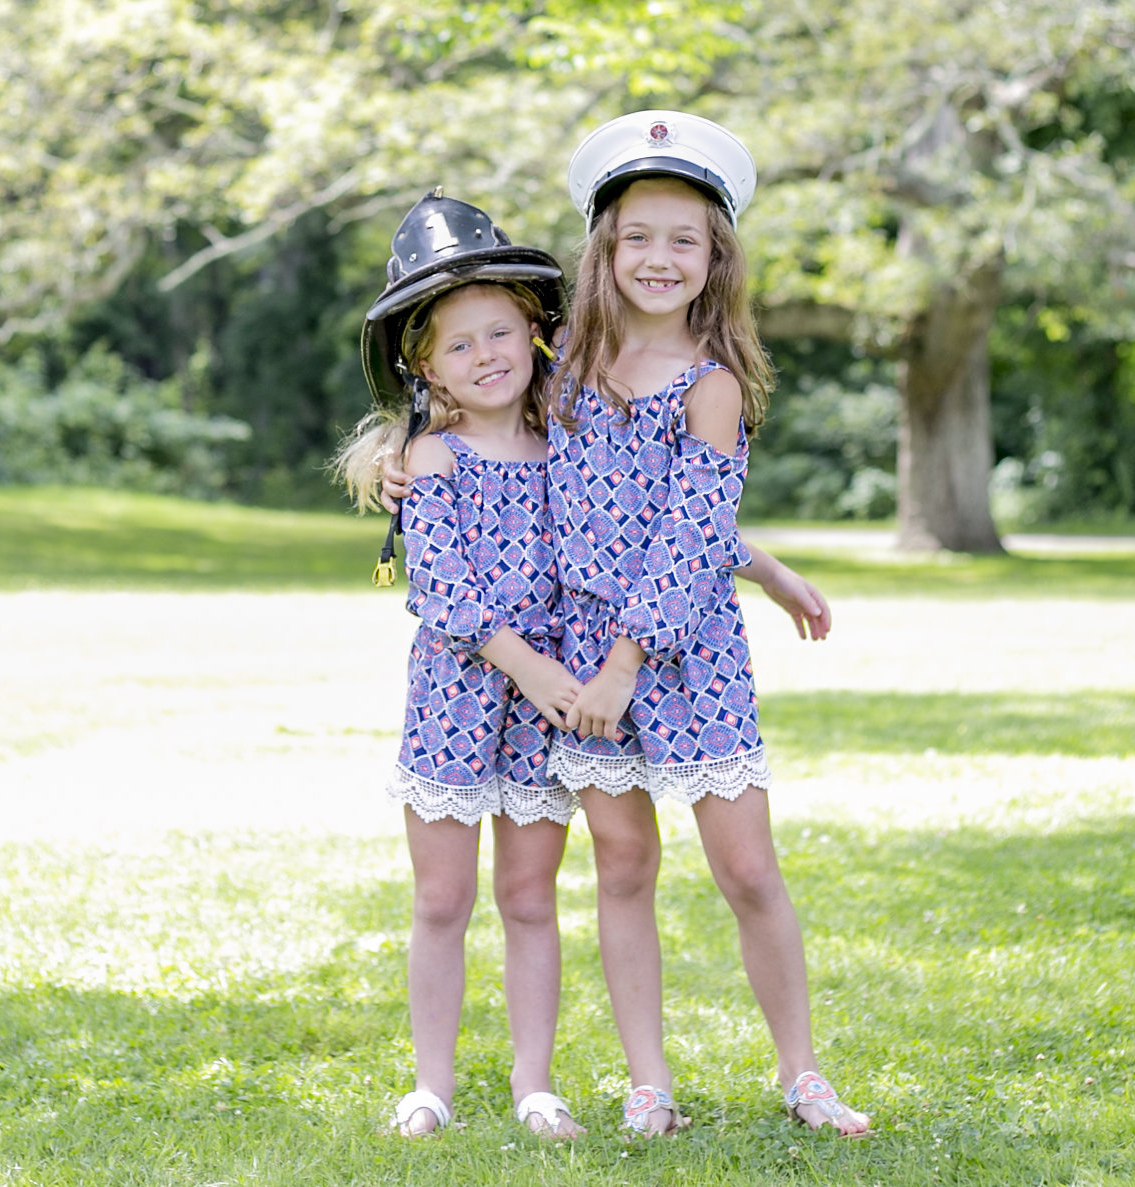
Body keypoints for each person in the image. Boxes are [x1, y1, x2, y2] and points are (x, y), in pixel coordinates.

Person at [547, 109, 871, 1137]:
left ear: (715, 258)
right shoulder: (562, 374)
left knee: (744, 866)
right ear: (605, 249)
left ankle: (803, 1071)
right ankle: (647, 1079)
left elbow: (688, 533)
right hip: (582, 652)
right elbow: (574, 500)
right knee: (624, 866)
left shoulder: (711, 385)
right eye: (637, 234)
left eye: (684, 238)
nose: (658, 256)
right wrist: (768, 562)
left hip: (680, 657)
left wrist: (632, 662)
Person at [333, 190, 587, 1140]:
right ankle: (430, 1085)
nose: (486, 356)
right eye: (459, 344)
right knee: (443, 898)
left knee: (530, 896)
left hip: (546, 704)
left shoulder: (569, 445)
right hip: (461, 694)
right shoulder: (432, 462)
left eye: (499, 333)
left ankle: (535, 1083)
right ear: (424, 365)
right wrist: (531, 669)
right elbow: (445, 597)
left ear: (533, 331)